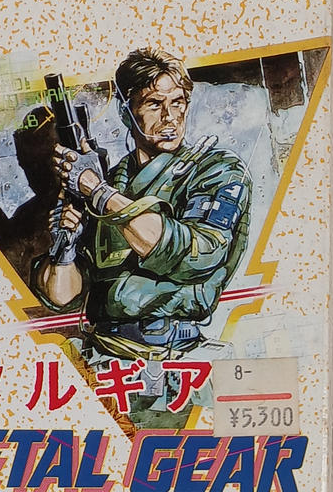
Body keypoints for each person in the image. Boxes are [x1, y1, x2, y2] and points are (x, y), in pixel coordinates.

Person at [35, 48, 252, 360]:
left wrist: (98, 192)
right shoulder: (112, 182)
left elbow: (197, 255)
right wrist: (65, 249)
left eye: (178, 103)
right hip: (104, 353)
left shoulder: (215, 170)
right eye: (154, 104)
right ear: (126, 111)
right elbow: (63, 297)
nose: (169, 117)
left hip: (175, 354)